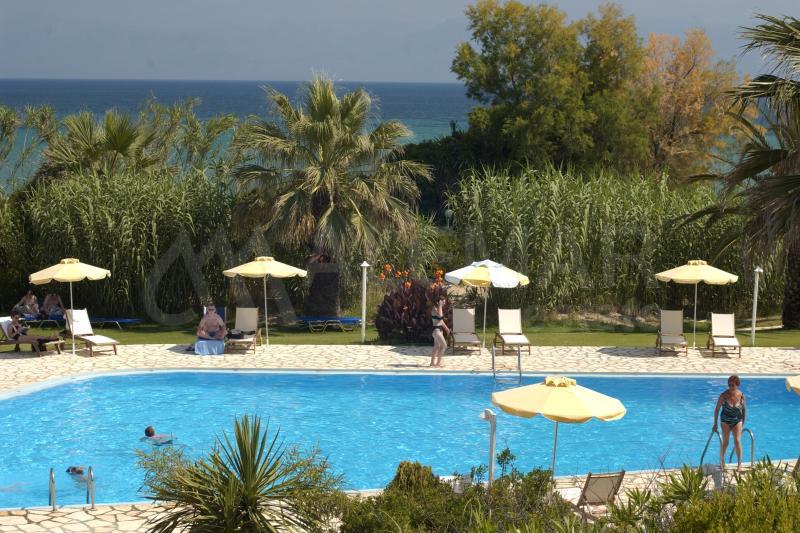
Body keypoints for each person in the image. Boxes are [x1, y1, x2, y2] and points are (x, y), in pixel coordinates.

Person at [713, 375, 747, 473]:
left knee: (737, 441)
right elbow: (717, 410)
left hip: (737, 420)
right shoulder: (723, 396)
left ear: (737, 385)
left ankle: (739, 465)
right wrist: (715, 424)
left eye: (732, 385)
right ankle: (722, 460)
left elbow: (744, 410)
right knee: (726, 442)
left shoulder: (741, 396)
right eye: (729, 385)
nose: (730, 387)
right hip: (725, 420)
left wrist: (743, 422)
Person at [429, 295, 450, 368]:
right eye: (443, 302)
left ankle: (432, 363)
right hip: (436, 330)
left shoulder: (438, 308)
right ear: (438, 302)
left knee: (437, 346)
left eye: (444, 302)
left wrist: (446, 329)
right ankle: (438, 364)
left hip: (439, 330)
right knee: (444, 345)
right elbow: (440, 316)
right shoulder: (434, 309)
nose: (444, 304)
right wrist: (440, 306)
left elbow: (441, 320)